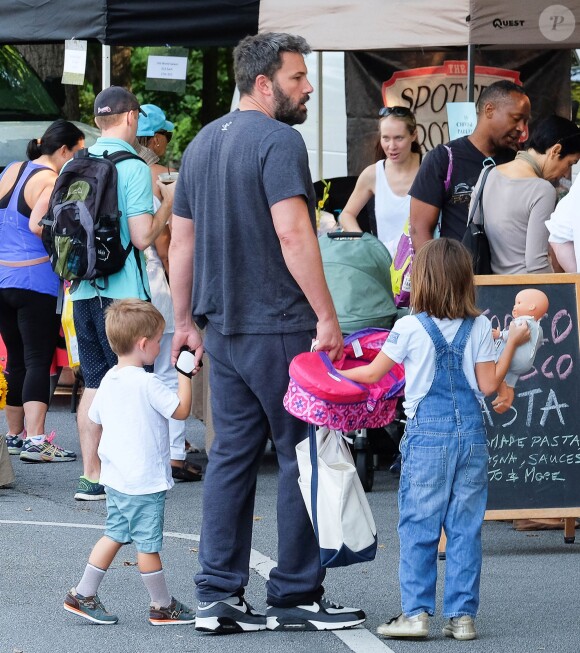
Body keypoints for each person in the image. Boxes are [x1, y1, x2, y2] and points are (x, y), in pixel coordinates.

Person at [169, 32, 365, 634]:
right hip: (281, 325)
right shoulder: (280, 141)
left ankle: (217, 596)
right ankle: (296, 593)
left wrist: (184, 322)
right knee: (302, 454)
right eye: (298, 77)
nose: (306, 88)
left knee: (230, 458)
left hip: (221, 327)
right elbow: (294, 234)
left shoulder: (202, 143)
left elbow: (182, 241)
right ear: (264, 84)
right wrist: (328, 317)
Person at [339, 239, 530, 641]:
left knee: (419, 526)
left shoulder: (408, 327)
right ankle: (462, 618)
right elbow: (488, 383)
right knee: (464, 528)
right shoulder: (479, 325)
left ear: (421, 280)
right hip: (472, 438)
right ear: (465, 281)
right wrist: (510, 342)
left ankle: (416, 614)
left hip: (427, 438)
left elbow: (373, 374)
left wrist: (328, 370)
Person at [64, 299, 196, 626]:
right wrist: (185, 375)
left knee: (114, 534)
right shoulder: (148, 383)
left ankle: (83, 592)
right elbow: (180, 411)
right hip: (143, 481)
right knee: (147, 546)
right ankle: (162, 605)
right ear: (143, 344)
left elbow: (95, 416)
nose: (159, 345)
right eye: (157, 340)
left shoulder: (110, 378)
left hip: (117, 477)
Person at [71, 87, 174, 501]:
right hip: (124, 295)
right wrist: (168, 202)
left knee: (94, 379)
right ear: (131, 118)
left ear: (98, 121)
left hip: (82, 289)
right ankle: (131, 472)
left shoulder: (76, 163)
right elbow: (143, 235)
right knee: (131, 379)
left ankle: (91, 475)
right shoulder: (131, 167)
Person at [0, 119, 84, 463]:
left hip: (3, 278)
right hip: (36, 281)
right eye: (77, 153)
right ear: (63, 150)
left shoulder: (11, 169)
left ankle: (14, 436)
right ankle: (36, 439)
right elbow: (38, 225)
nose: (78, 160)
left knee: (15, 358)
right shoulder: (51, 180)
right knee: (38, 359)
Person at [136, 105, 201, 482]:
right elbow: (166, 244)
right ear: (157, 139)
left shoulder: (117, 170)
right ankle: (173, 454)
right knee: (168, 368)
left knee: (130, 370)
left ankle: (148, 451)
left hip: (123, 285)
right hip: (158, 283)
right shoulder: (161, 177)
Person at [410, 80, 531, 251]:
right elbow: (419, 229)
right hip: (455, 273)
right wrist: (436, 275)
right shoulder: (443, 158)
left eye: (525, 121)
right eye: (516, 118)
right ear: (489, 110)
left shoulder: (517, 162)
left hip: (508, 276)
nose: (521, 128)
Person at [472, 115, 580, 274]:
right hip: (528, 291)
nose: (565, 174)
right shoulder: (542, 190)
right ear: (556, 150)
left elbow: (475, 232)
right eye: (569, 163)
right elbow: (536, 263)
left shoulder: (487, 174)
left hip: (488, 288)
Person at [339, 106, 421, 257]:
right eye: (386, 138)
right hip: (385, 268)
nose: (391, 146)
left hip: (423, 267)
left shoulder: (429, 169)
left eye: (399, 138)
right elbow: (346, 214)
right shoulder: (373, 174)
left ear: (414, 135)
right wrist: (364, 243)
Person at [491, 288, 548, 414]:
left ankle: (502, 393)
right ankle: (508, 396)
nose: (514, 306)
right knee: (510, 379)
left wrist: (499, 334)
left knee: (493, 365)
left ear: (531, 307)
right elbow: (536, 344)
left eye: (519, 303)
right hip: (525, 362)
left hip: (513, 359)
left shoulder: (523, 321)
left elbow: (513, 334)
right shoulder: (539, 329)